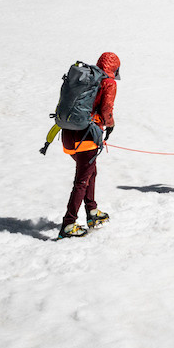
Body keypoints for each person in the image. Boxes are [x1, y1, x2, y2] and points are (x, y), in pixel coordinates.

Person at [57, 52, 120, 238]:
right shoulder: (108, 82)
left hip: (68, 134)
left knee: (90, 172)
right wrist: (110, 124)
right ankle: (69, 224)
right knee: (82, 181)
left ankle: (92, 211)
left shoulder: (86, 78)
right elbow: (107, 109)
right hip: (86, 136)